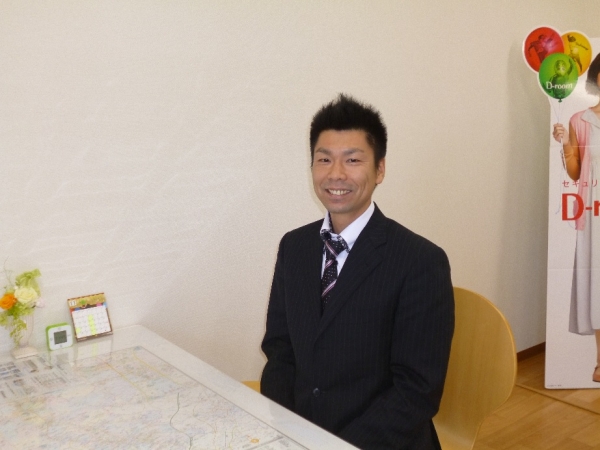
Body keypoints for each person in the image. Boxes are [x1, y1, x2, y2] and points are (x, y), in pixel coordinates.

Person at [260, 94, 455, 449]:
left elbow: (416, 391)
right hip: (301, 435)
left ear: (380, 169)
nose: (336, 173)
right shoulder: (294, 246)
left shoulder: (420, 261)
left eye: (352, 160)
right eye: (324, 159)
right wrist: (287, 428)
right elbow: (280, 349)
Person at [553, 53, 600, 383]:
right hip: (594, 216)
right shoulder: (580, 120)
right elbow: (574, 171)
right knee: (597, 284)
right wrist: (566, 144)